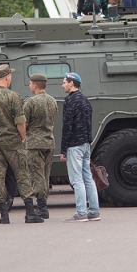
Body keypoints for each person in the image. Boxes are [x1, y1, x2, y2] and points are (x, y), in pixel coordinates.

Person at [0, 64, 44, 224]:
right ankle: (30, 213)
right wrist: (23, 137)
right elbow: (20, 121)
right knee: (22, 174)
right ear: (7, 77)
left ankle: (4, 215)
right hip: (13, 142)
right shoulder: (13, 96)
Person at [60, 72, 101, 222]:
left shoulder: (69, 100)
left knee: (76, 180)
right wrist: (88, 141)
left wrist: (63, 149)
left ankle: (81, 213)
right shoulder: (85, 100)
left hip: (74, 145)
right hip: (85, 144)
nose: (62, 85)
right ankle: (94, 212)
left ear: (71, 83)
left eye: (64, 82)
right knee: (88, 178)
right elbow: (89, 123)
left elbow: (67, 126)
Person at [23, 73, 58, 219]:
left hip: (34, 143)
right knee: (45, 174)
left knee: (36, 175)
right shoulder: (53, 101)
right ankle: (43, 205)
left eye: (30, 83)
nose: (29, 86)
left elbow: (24, 123)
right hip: (49, 141)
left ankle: (42, 207)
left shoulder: (30, 102)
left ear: (36, 85)